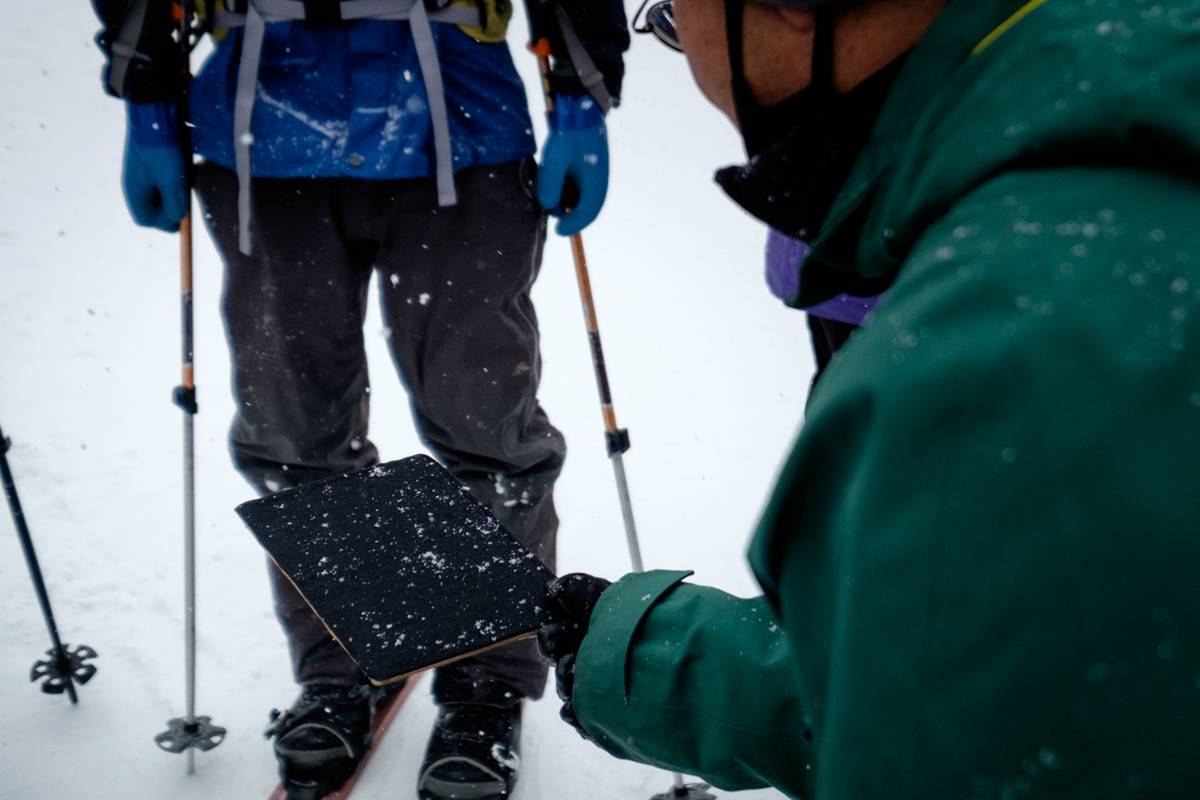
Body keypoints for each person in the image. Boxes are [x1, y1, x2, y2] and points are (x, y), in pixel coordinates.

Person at [539, 0, 1200, 798]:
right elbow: (991, 682)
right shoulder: (1134, 127)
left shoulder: (982, 374)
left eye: (677, 15)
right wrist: (656, 659)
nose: (688, 53)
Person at [90, 1, 628, 798]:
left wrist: (582, 97)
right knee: (295, 429)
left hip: (461, 119)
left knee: (485, 428)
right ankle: (343, 666)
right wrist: (146, 96)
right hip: (263, 134)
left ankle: (484, 688)